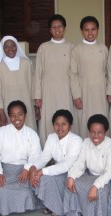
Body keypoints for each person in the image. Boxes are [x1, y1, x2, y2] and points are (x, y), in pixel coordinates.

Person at [0, 100, 42, 216]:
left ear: (25, 115)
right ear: (9, 116)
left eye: (20, 114)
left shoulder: (32, 134)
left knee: (35, 184)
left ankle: (26, 203)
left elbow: (35, 154)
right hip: (6, 171)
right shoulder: (1, 133)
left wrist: (27, 169)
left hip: (25, 170)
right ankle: (7, 207)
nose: (16, 118)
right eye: (12, 115)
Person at [28, 109, 82, 216]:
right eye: (57, 124)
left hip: (73, 172)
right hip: (58, 169)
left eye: (64, 124)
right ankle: (50, 204)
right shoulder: (51, 137)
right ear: (53, 125)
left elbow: (67, 165)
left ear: (70, 126)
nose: (60, 127)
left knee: (48, 178)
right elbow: (44, 158)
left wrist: (42, 171)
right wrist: (34, 167)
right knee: (42, 176)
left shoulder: (76, 140)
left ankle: (57, 208)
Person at [64, 114, 111, 216]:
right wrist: (71, 176)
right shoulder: (86, 142)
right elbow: (79, 163)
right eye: (92, 132)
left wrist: (95, 186)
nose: (95, 136)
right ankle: (79, 212)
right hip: (90, 174)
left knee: (100, 191)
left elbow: (110, 171)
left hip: (107, 178)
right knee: (73, 183)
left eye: (100, 132)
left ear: (105, 133)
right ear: (89, 131)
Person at [33, 14, 76, 147]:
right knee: (48, 120)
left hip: (66, 91)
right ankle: (48, 152)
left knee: (65, 119)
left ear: (64, 28)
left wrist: (76, 94)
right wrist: (37, 96)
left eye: (60, 27)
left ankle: (67, 151)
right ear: (50, 30)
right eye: (54, 27)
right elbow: (38, 73)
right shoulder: (43, 48)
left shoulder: (71, 48)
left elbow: (74, 74)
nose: (57, 29)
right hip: (48, 92)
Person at [69, 16, 109, 139]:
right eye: (86, 30)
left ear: (97, 30)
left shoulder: (103, 48)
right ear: (82, 31)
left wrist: (108, 92)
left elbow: (108, 72)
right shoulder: (76, 49)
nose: (90, 33)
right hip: (84, 93)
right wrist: (76, 96)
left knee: (101, 119)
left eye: (93, 29)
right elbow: (73, 74)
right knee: (84, 122)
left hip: (101, 93)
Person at [0, 36, 37, 132]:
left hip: (26, 105)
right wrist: (1, 113)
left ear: (17, 47)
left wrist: (36, 106)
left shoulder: (26, 63)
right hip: (6, 106)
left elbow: (33, 86)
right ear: (3, 49)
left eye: (13, 46)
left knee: (28, 131)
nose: (10, 49)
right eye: (7, 47)